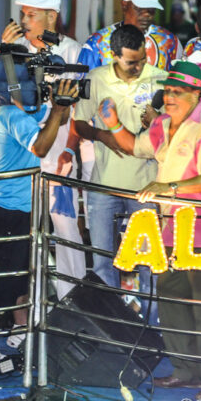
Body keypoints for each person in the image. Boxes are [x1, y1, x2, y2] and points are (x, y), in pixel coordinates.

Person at [97, 60, 201, 401]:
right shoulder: (163, 124)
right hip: (173, 229)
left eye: (177, 91)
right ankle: (185, 370)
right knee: (172, 300)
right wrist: (112, 123)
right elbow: (134, 146)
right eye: (167, 90)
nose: (169, 97)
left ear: (194, 94)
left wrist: (167, 187)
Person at [0, 78, 78, 343]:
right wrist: (56, 109)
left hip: (25, 206)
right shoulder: (7, 110)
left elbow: (62, 120)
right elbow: (41, 147)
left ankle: (21, 333)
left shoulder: (27, 108)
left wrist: (61, 102)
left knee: (23, 275)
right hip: (4, 207)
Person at [1, 0, 87, 301]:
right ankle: (29, 309)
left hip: (58, 159)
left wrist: (69, 149)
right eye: (23, 14)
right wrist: (5, 52)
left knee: (65, 232)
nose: (23, 20)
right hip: (22, 161)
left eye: (30, 14)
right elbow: (1, 98)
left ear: (52, 17)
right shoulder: (16, 49)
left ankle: (73, 303)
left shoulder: (73, 51)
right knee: (25, 236)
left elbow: (79, 110)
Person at [73, 25, 166, 312]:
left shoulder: (160, 79)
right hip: (104, 186)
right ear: (113, 56)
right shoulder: (96, 79)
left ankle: (152, 329)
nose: (138, 66)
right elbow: (78, 123)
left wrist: (159, 125)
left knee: (149, 263)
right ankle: (113, 332)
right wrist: (100, 135)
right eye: (131, 62)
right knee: (102, 263)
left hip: (146, 189)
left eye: (142, 59)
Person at [79, 0, 181, 71]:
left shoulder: (169, 41)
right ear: (124, 5)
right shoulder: (98, 42)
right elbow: (84, 85)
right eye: (139, 9)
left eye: (151, 9)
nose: (146, 15)